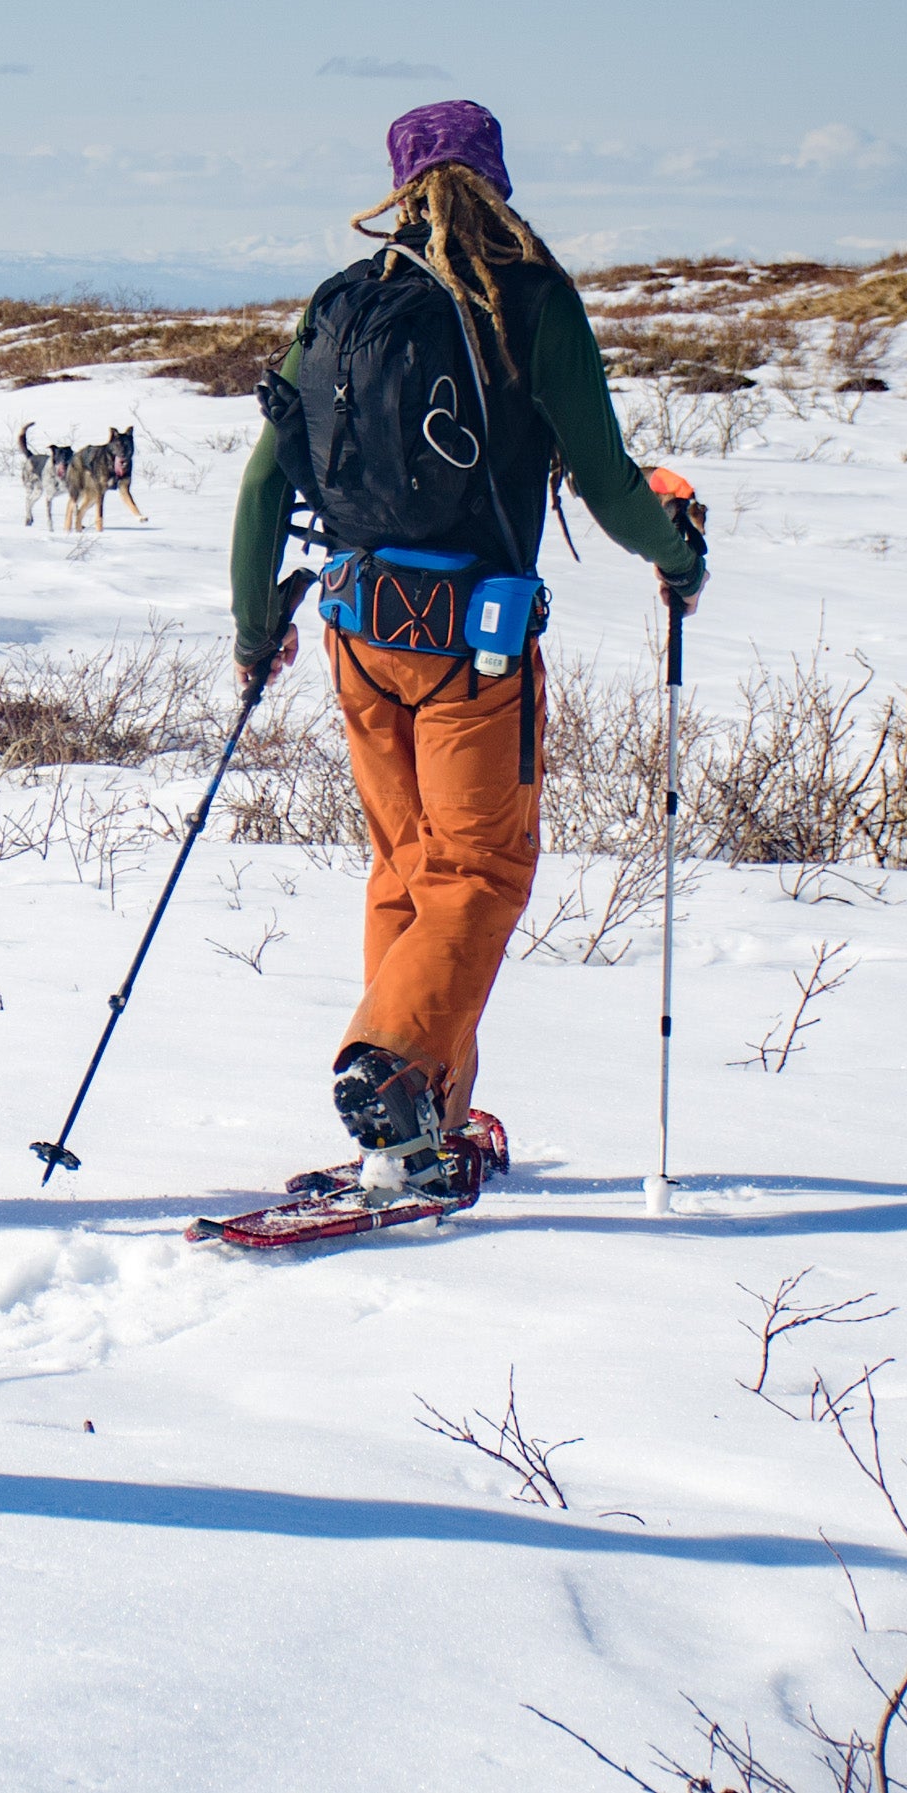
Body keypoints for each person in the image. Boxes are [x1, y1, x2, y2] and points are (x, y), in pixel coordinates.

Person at [226, 99, 701, 1194]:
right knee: (479, 868)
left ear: (397, 186)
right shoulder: (528, 299)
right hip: (471, 650)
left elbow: (262, 486)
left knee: (408, 868)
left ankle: (421, 1121)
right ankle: (391, 1068)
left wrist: (257, 632)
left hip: (356, 631)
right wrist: (673, 555)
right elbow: (607, 479)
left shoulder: (344, 303)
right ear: (497, 176)